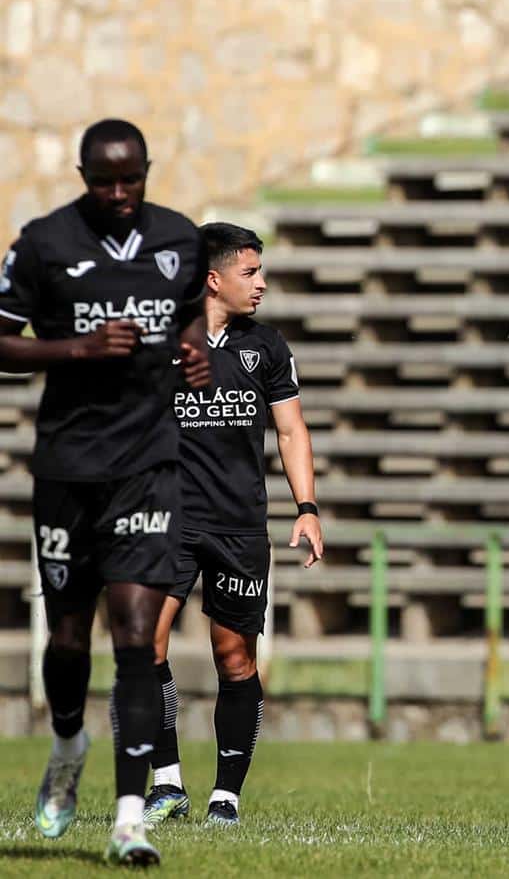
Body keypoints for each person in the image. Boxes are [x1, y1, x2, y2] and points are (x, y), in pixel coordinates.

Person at [0, 119, 210, 866]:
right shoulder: (45, 243)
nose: (118, 193)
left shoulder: (181, 240)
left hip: (147, 465)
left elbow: (192, 314)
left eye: (131, 179)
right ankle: (66, 743)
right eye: (103, 181)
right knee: (66, 638)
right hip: (67, 465)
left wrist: (193, 349)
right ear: (83, 174)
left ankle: (129, 818)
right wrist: (75, 348)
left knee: (133, 632)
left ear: (148, 170)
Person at [142, 222, 322, 827]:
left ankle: (226, 795)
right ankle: (166, 782)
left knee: (236, 659)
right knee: (146, 643)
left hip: (240, 527)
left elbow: (293, 431)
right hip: (167, 519)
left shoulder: (265, 346)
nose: (262, 283)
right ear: (213, 278)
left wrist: (307, 508)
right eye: (251, 273)